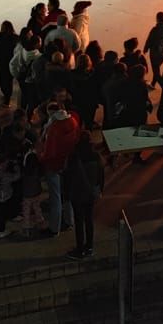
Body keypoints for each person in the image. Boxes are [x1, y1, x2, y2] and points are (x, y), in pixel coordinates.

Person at [38, 102, 82, 238]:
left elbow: (50, 151)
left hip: (54, 165)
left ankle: (54, 228)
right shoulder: (72, 121)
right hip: (69, 164)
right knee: (67, 194)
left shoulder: (54, 128)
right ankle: (69, 221)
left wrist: (40, 157)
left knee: (55, 197)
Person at [65, 135, 104, 259]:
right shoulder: (96, 156)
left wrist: (66, 193)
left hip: (77, 194)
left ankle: (80, 249)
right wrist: (99, 189)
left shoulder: (73, 157)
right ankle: (89, 246)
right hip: (90, 193)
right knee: (89, 220)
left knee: (79, 221)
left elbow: (68, 177)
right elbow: (101, 175)